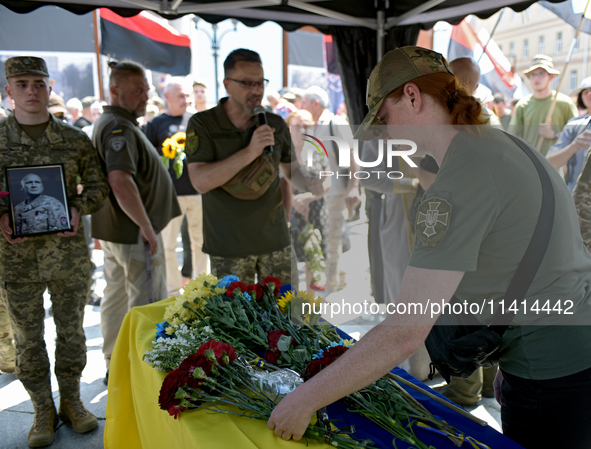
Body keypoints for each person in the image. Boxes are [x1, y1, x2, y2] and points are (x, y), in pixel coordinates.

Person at [268, 46, 591, 449]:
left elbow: (404, 330)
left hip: (550, 376)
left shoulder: (460, 176)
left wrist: (303, 400)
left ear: (413, 96)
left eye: (383, 119)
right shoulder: (503, 144)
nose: (384, 133)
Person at [0, 56, 109, 447]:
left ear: (50, 87)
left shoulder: (74, 140)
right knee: (28, 340)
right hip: (17, 260)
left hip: (67, 258)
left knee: (72, 335)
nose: (31, 91)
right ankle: (42, 408)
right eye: (22, 83)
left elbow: (98, 187)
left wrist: (79, 208)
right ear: (8, 91)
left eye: (38, 83)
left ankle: (73, 402)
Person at [91, 60, 181, 382]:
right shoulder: (118, 127)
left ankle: (116, 363)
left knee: (115, 296)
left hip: (120, 233)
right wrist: (145, 224)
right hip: (133, 234)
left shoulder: (117, 121)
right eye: (138, 90)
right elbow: (120, 180)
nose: (146, 96)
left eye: (146, 89)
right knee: (147, 302)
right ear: (115, 91)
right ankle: (145, 370)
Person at [186, 49, 305, 284]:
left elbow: (294, 174)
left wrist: (320, 178)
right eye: (248, 83)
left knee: (288, 317)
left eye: (260, 83)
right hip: (229, 248)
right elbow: (200, 181)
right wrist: (251, 152)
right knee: (237, 320)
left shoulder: (274, 124)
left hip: (276, 244)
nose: (256, 90)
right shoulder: (203, 124)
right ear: (227, 84)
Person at [144, 77, 208, 295]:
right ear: (167, 97)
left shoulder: (198, 120)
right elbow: (149, 158)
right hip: (170, 195)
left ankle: (201, 287)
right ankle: (172, 290)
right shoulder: (156, 124)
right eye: (181, 96)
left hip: (198, 192)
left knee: (201, 242)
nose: (186, 100)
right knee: (168, 245)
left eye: (188, 95)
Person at [301, 85, 361, 293]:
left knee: (332, 242)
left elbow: (353, 156)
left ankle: (330, 291)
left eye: (304, 102)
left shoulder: (336, 122)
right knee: (324, 242)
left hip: (335, 193)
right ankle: (335, 282)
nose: (301, 106)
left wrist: (354, 187)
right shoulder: (313, 126)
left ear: (315, 104)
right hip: (319, 196)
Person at [287, 109, 330, 290]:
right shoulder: (282, 151)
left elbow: (329, 179)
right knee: (289, 259)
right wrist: (292, 201)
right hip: (288, 209)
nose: (302, 129)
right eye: (298, 126)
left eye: (306, 125)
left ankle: (311, 306)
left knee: (313, 255)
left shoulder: (318, 150)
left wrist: (309, 198)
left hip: (315, 208)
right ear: (289, 127)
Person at [509, 54, 577, 156]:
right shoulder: (522, 105)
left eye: (541, 74)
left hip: (556, 167)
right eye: (533, 74)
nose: (536, 78)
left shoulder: (565, 103)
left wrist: (554, 134)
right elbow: (512, 139)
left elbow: (577, 136)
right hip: (531, 164)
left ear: (551, 76)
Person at [546, 77, 591, 192]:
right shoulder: (574, 126)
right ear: (581, 97)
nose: (590, 94)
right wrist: (573, 147)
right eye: (586, 91)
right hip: (579, 201)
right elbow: (549, 163)